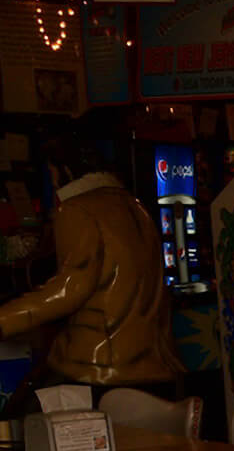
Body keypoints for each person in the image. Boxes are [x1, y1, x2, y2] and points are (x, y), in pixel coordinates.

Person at [0, 139, 180, 390]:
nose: (52, 182)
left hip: (98, 365)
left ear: (65, 170)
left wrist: (5, 320)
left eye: (51, 172)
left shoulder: (77, 210)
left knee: (23, 412)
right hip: (157, 362)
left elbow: (68, 290)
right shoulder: (136, 207)